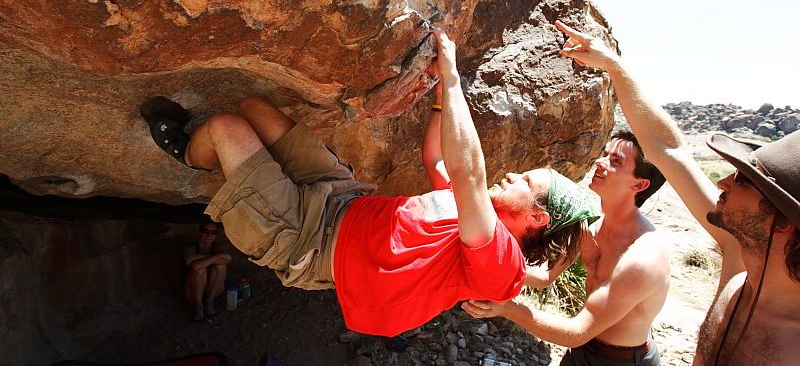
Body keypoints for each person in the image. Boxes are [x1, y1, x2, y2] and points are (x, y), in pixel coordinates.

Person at [142, 29, 599, 337]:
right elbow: (437, 157)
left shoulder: (498, 260)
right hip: (336, 198)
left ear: (538, 216)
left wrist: (454, 78)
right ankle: (215, 148)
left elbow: (468, 172)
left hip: (305, 243)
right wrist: (440, 100)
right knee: (256, 108)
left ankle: (187, 150)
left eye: (526, 181)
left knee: (227, 127)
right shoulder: (476, 217)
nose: (513, 174)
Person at [551, 21, 800, 365]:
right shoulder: (738, 262)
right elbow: (670, 150)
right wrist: (614, 67)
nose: (723, 183)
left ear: (783, 222)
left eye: (743, 181)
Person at [464, 125, 670, 366]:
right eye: (604, 154)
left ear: (639, 185)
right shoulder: (591, 227)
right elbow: (545, 276)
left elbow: (577, 331)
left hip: (623, 360)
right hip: (583, 349)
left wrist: (508, 308)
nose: (599, 163)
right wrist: (482, 261)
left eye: (615, 160)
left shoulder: (641, 259)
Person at [183, 219, 231, 322]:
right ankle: (199, 306)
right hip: (193, 293)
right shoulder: (191, 248)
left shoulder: (217, 247)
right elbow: (194, 267)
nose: (209, 235)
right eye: (206, 231)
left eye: (213, 233)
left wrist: (198, 258)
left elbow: (227, 260)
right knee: (200, 270)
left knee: (221, 266)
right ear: (200, 232)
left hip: (213, 291)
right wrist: (216, 256)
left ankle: (210, 301)